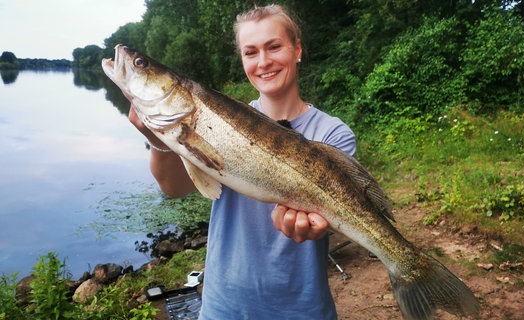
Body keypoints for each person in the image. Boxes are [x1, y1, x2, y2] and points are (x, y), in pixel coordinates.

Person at [128, 4, 356, 319]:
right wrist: (158, 138)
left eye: (274, 46)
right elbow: (174, 188)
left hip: (301, 310)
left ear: (297, 49)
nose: (263, 61)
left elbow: (335, 217)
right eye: (250, 52)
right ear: (243, 60)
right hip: (224, 306)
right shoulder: (214, 120)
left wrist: (318, 226)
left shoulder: (332, 133)